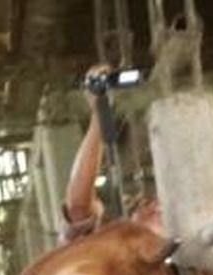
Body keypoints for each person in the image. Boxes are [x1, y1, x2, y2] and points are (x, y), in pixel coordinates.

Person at [61, 63, 163, 244]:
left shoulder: (183, 257)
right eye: (152, 205)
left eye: (151, 207)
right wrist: (100, 113)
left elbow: (78, 208)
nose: (155, 207)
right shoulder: (108, 259)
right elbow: (78, 208)